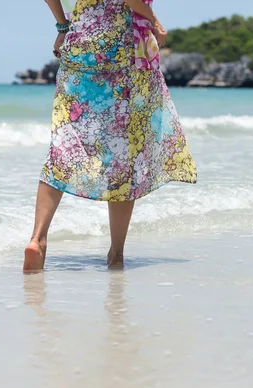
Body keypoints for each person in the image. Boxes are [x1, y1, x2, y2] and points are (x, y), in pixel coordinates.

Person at [24, 0, 197, 272]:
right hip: (122, 49)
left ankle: (38, 239)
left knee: (64, 145)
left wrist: (62, 26)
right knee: (124, 156)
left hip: (78, 44)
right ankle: (116, 254)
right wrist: (154, 21)